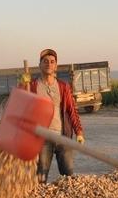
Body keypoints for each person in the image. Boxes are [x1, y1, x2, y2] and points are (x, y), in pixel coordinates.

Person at [30, 48, 85, 183]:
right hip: (42, 138)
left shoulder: (63, 86)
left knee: (68, 176)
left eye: (52, 61)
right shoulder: (32, 86)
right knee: (41, 177)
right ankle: (41, 196)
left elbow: (72, 110)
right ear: (39, 65)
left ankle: (68, 196)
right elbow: (22, 108)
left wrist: (78, 132)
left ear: (56, 66)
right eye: (45, 61)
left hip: (62, 136)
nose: (49, 64)